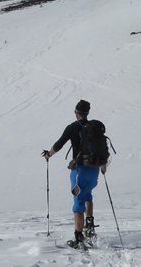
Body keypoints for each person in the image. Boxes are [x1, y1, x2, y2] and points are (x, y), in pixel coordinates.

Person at [42, 99, 107, 249]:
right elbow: (101, 148)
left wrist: (48, 155)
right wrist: (103, 166)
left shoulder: (73, 127)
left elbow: (59, 144)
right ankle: (89, 226)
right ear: (87, 113)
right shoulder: (95, 127)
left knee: (78, 204)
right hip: (95, 169)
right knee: (88, 195)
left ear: (76, 113)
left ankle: (79, 240)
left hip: (80, 171)